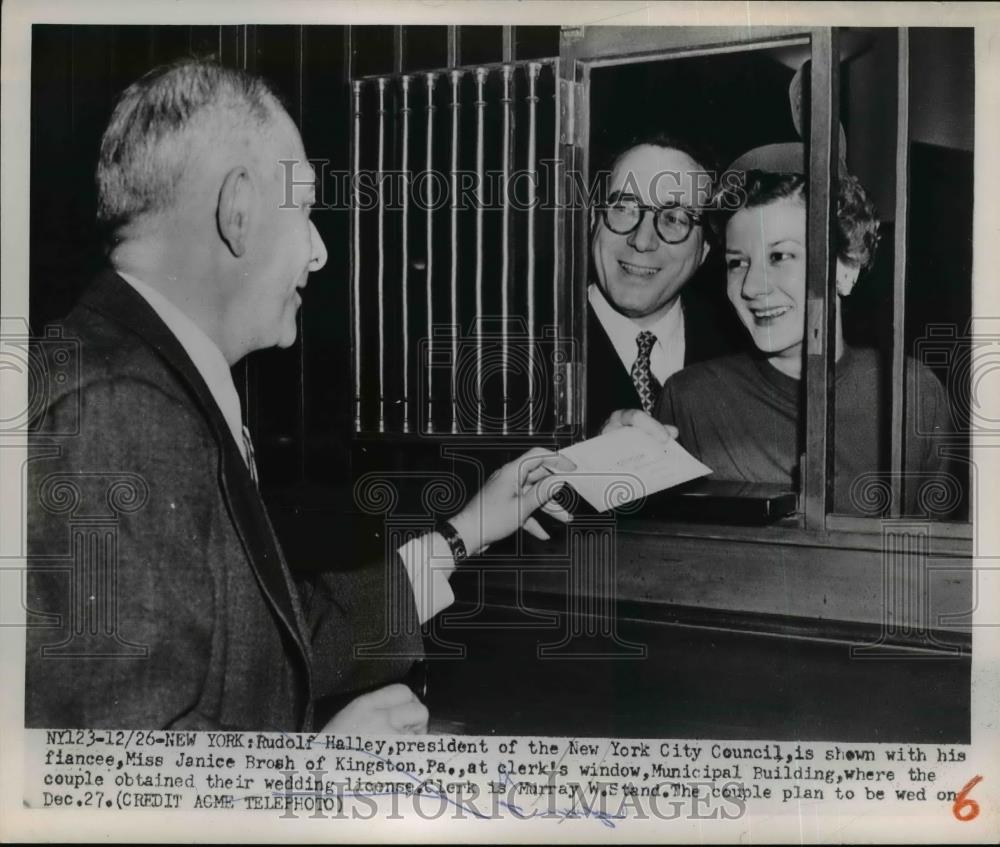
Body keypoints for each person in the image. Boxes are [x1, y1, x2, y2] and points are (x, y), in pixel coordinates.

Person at [25, 58, 573, 732]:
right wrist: (317, 774)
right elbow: (114, 780)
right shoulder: (117, 408)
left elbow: (272, 640)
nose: (318, 252)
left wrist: (470, 532)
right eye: (307, 210)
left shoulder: (139, 378)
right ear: (240, 211)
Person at [606, 144, 954, 516]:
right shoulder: (691, 400)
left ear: (847, 267)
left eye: (780, 256)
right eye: (738, 262)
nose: (753, 286)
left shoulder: (911, 394)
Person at [586, 135, 743, 435]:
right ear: (594, 218)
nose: (642, 241)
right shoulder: (512, 348)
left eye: (673, 219)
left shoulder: (743, 351)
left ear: (706, 248)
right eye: (624, 208)